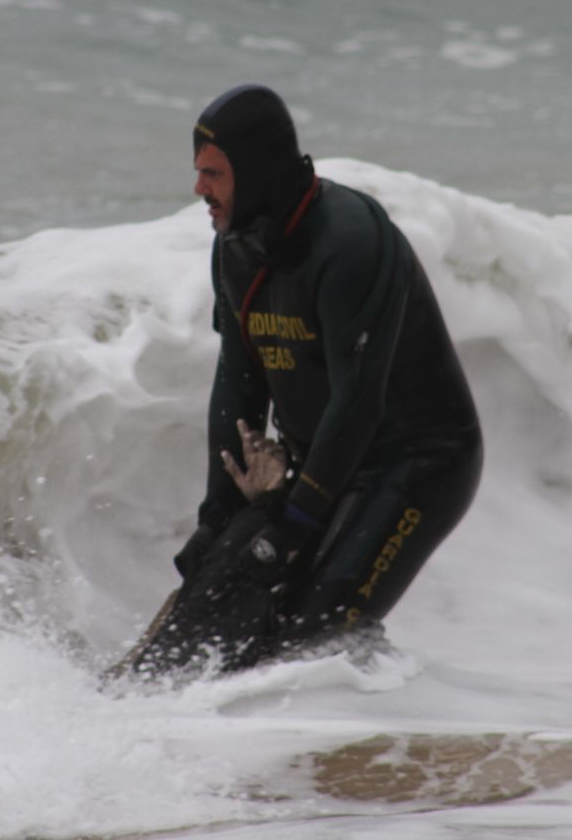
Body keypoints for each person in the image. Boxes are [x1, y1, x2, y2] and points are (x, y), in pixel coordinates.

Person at [130, 83, 483, 677]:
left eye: (213, 174)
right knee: (208, 622)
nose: (199, 190)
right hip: (322, 459)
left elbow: (358, 401)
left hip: (417, 463)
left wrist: (293, 527)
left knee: (306, 642)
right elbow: (238, 389)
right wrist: (216, 520)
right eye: (199, 173)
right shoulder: (235, 250)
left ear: (257, 171)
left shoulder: (350, 243)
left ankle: (378, 747)